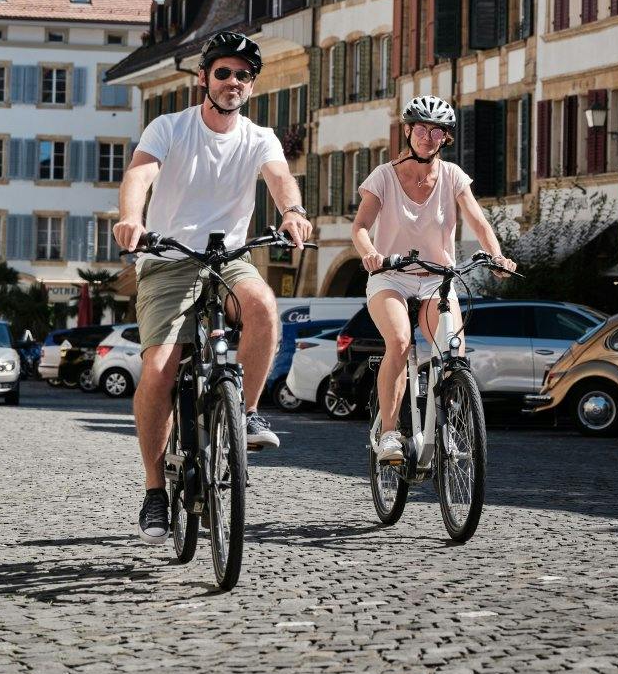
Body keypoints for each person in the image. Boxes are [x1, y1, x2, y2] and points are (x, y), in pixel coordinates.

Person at [114, 30, 313, 543]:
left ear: (251, 86)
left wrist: (292, 213)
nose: (233, 82)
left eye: (243, 76)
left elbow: (280, 179)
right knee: (158, 370)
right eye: (223, 72)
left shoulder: (259, 137)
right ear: (204, 78)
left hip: (228, 257)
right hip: (170, 259)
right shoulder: (170, 128)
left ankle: (243, 413)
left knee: (264, 306)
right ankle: (156, 491)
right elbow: (139, 176)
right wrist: (131, 220)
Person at [351, 96, 514, 464]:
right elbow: (360, 227)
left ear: (446, 137)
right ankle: (390, 433)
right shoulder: (383, 176)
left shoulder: (453, 176)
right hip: (390, 276)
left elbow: (477, 220)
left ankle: (449, 429)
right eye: (421, 128)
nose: (427, 136)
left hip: (438, 279)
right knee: (400, 341)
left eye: (436, 130)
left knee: (452, 352)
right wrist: (369, 253)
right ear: (408, 131)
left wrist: (496, 254)